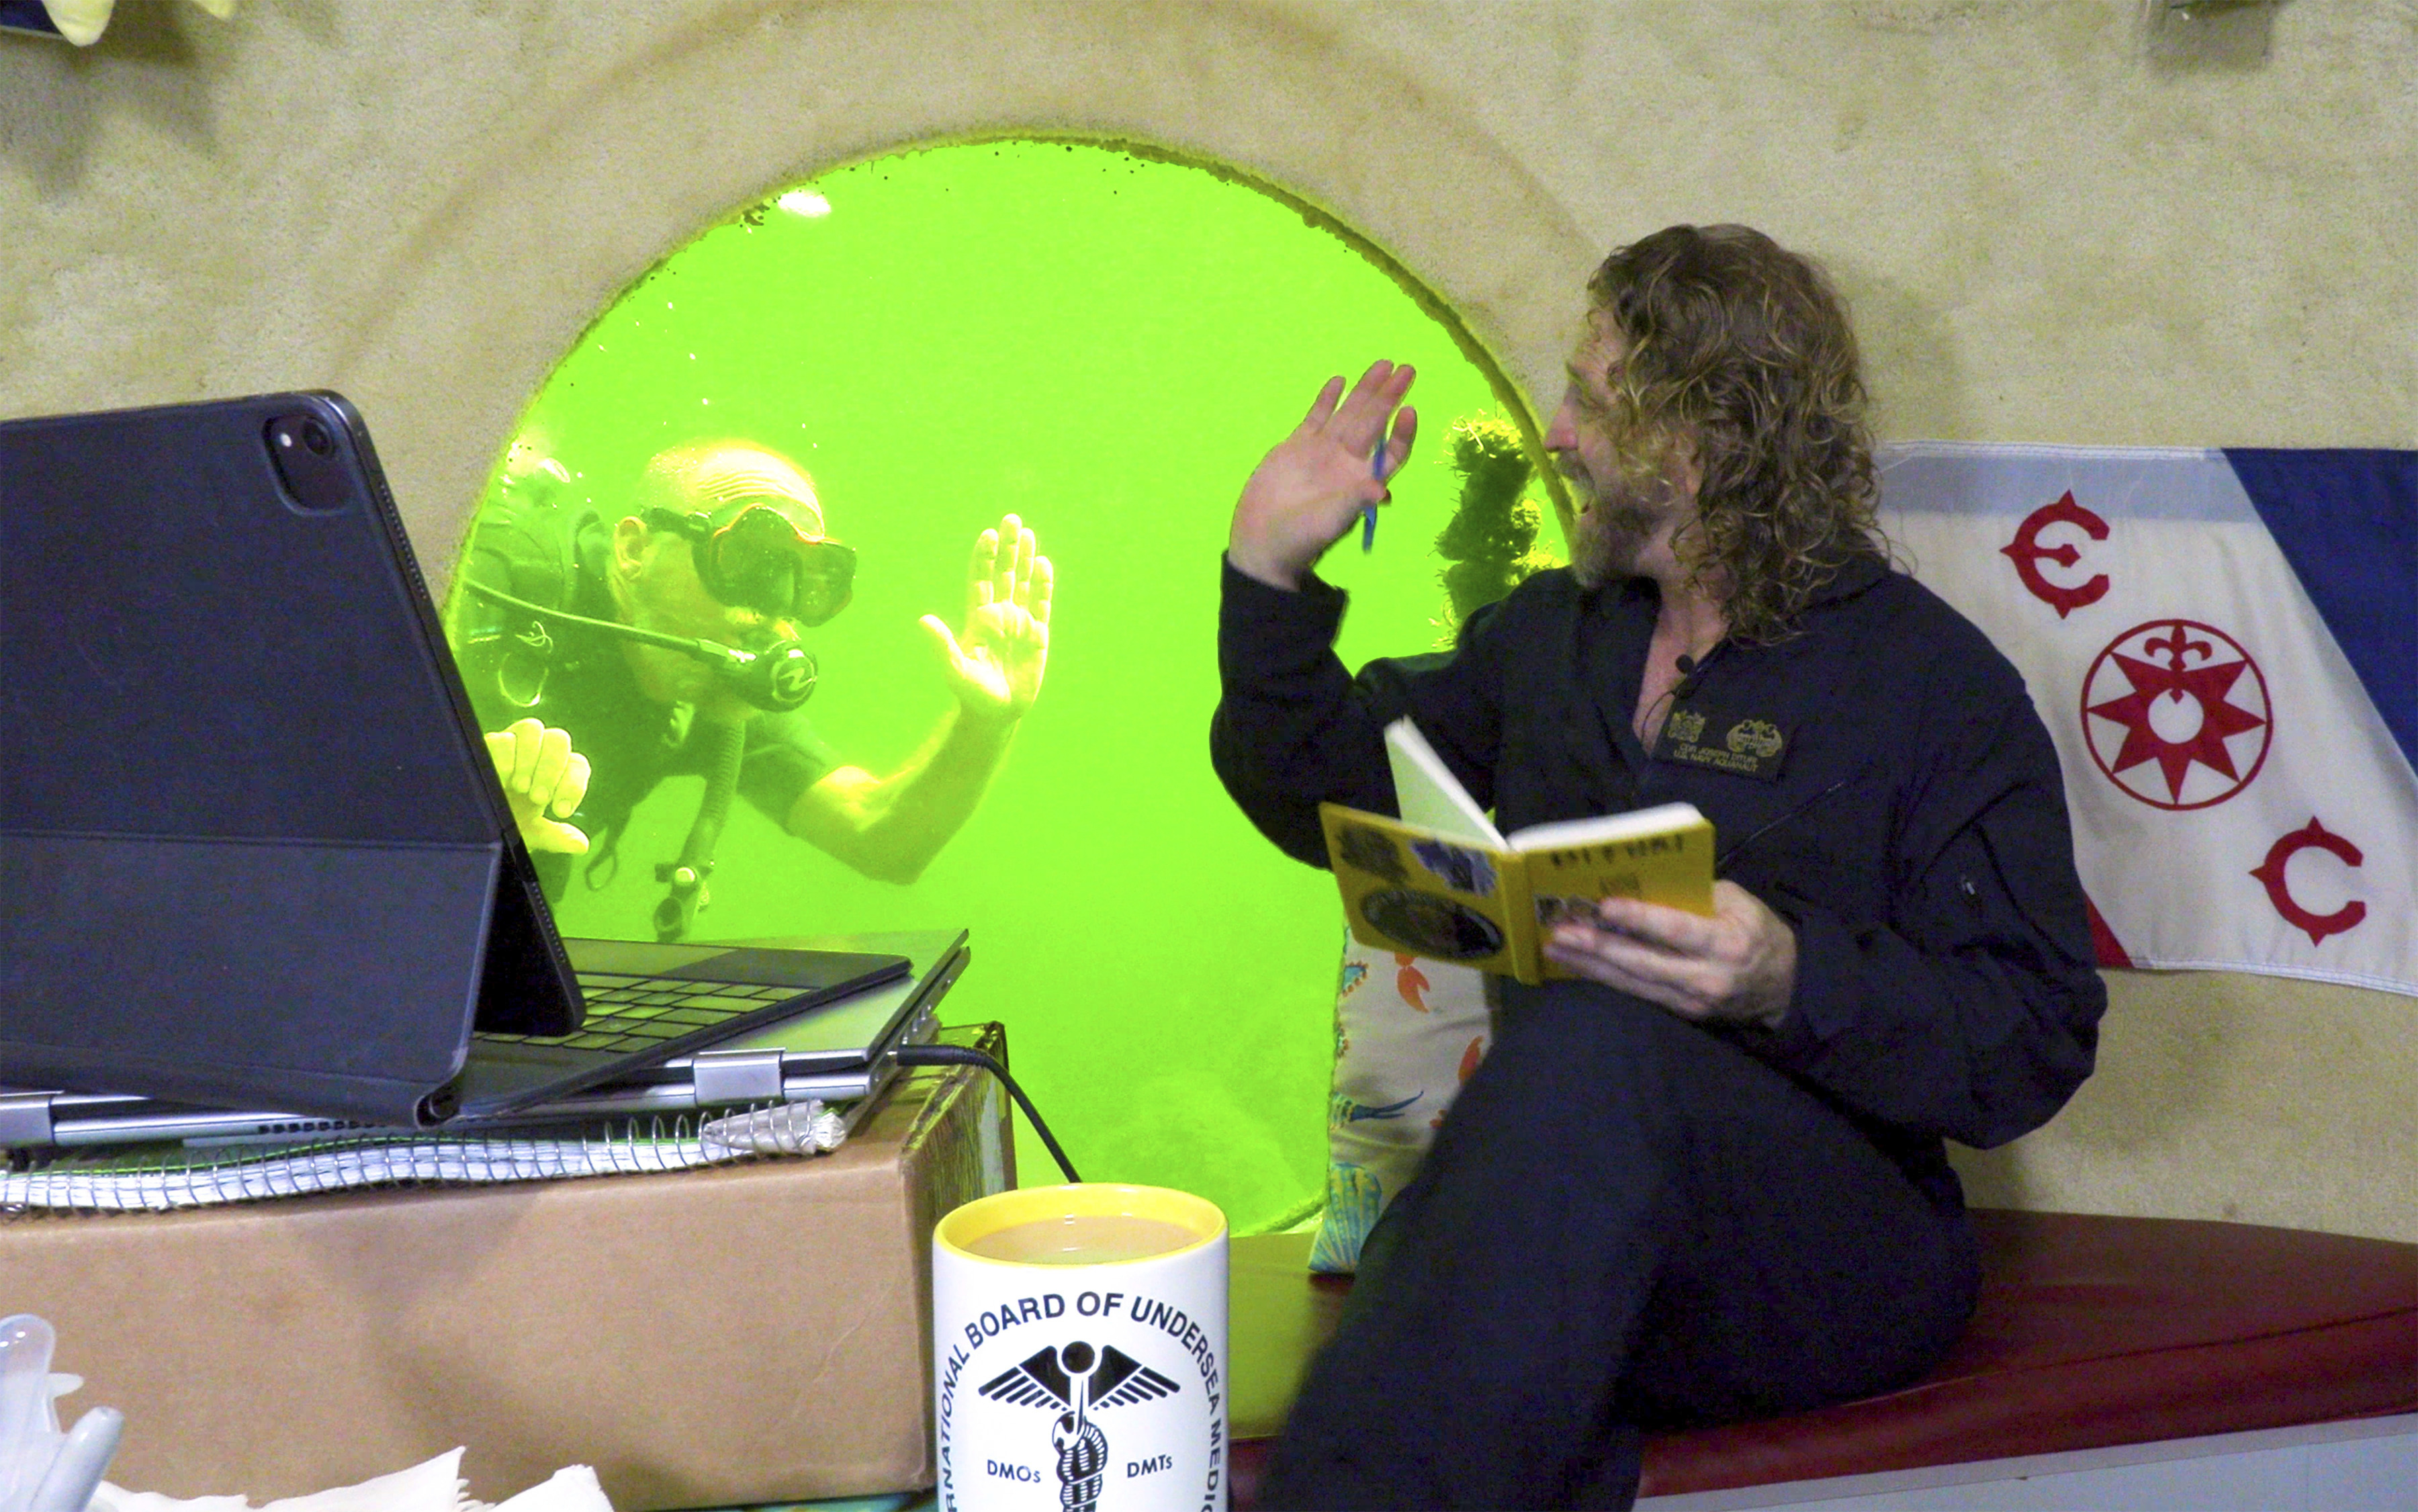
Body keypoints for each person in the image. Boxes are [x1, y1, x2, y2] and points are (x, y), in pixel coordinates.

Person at [1211, 224, 2106, 1509]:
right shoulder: (1546, 638)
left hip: (1825, 1249)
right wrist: (1268, 575)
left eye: (1588, 396)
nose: (1560, 432)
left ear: (1694, 446)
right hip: (1577, 1219)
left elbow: (2033, 1036)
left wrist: (1791, 976)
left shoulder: (1933, 688)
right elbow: (1326, 802)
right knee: (1491, 1265)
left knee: (1586, 1057)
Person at [448, 437, 1051, 938]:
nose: (774, 610)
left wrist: (986, 722)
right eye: (750, 562)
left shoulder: (713, 695)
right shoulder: (494, 583)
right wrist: (453, 802)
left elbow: (881, 838)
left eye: (805, 580)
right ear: (634, 549)